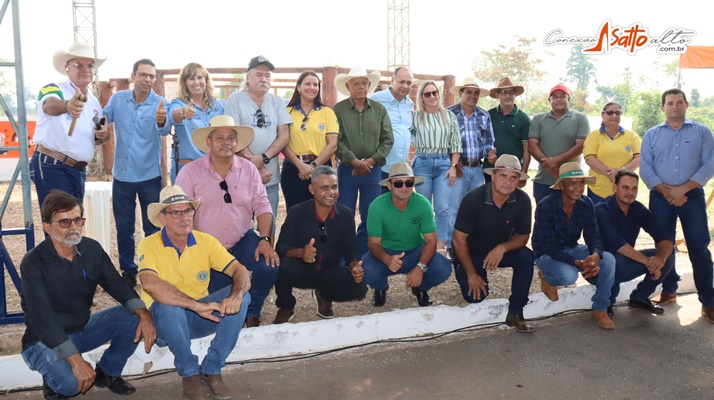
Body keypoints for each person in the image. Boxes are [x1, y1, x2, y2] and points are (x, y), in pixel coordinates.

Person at [21, 190, 155, 399]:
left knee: (132, 317)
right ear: (47, 227)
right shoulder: (33, 263)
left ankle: (107, 373)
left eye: (78, 220)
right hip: (43, 340)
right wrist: (76, 360)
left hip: (81, 330)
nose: (73, 227)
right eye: (64, 222)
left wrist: (144, 314)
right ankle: (53, 383)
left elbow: (117, 284)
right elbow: (42, 320)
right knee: (71, 384)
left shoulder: (91, 249)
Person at [138, 185, 252, 400]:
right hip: (164, 324)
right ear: (162, 218)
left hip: (200, 318)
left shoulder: (205, 241)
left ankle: (212, 368)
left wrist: (234, 297)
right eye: (175, 213)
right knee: (166, 305)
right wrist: (197, 306)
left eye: (188, 211)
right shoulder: (149, 244)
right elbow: (149, 284)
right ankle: (189, 372)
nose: (184, 218)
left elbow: (241, 271)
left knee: (244, 296)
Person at [176, 115, 277, 328]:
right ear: (209, 142)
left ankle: (252, 311)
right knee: (211, 292)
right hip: (205, 248)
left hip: (242, 240)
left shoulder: (249, 169)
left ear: (237, 143)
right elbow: (180, 214)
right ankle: (228, 310)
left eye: (231, 137)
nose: (226, 142)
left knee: (268, 264)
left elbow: (262, 205)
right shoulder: (190, 172)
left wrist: (265, 239)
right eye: (220, 137)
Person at [640, 88, 714, 323]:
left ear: (686, 104)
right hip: (660, 196)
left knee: (699, 247)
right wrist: (668, 191)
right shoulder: (651, 135)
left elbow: (709, 165)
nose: (674, 106)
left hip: (691, 196)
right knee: (664, 245)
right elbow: (646, 169)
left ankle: (709, 301)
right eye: (670, 103)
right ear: (663, 107)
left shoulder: (703, 132)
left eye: (679, 102)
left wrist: (682, 190)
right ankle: (669, 290)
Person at [103, 59, 172, 287]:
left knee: (152, 226)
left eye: (151, 76)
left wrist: (162, 121)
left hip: (149, 177)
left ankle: (151, 267)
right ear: (133, 76)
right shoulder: (118, 99)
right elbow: (103, 118)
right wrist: (98, 126)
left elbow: (164, 129)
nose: (147, 79)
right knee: (124, 227)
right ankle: (128, 269)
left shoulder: (161, 103)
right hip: (122, 176)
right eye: (143, 75)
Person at [273, 166, 368, 323]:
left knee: (359, 288)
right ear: (312, 189)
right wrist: (301, 253)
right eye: (324, 188)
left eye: (334, 187)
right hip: (301, 270)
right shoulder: (297, 212)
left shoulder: (345, 215)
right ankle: (286, 306)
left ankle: (324, 294)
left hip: (328, 270)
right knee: (280, 267)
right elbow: (281, 247)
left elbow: (351, 249)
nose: (330, 192)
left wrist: (354, 266)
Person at [452, 155, 535, 332]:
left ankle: (516, 312)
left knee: (526, 257)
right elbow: (458, 241)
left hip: (498, 252)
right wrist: (472, 275)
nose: (508, 182)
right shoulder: (472, 200)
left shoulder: (522, 200)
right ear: (493, 176)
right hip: (471, 253)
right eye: (503, 176)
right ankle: (470, 273)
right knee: (475, 297)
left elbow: (523, 237)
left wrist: (501, 248)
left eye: (513, 177)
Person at [532, 162, 616, 330]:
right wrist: (576, 262)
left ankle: (600, 308)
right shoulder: (546, 205)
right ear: (562, 185)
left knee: (609, 259)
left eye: (581, 183)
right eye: (572, 183)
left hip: (572, 247)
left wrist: (595, 255)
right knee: (568, 276)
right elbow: (548, 245)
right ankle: (547, 276)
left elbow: (593, 235)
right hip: (546, 253)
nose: (578, 188)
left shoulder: (586, 204)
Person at [361, 162, 451, 307]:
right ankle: (380, 287)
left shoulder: (423, 204)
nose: (404, 188)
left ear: (413, 184)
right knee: (365, 270)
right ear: (389, 185)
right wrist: (387, 259)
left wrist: (420, 267)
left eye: (408, 183)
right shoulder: (376, 206)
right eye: (398, 183)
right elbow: (373, 243)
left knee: (443, 269)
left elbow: (431, 241)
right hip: (386, 251)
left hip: (415, 251)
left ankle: (421, 287)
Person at [31, 42, 109, 209]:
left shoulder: (94, 102)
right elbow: (49, 105)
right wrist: (66, 106)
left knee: (71, 220)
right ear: (67, 68)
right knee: (59, 220)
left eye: (90, 66)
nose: (86, 69)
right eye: (79, 65)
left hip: (78, 169)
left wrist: (102, 136)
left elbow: (94, 138)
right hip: (53, 164)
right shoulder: (54, 89)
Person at [224, 55, 291, 230]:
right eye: (259, 75)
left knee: (269, 222)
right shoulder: (235, 100)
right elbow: (232, 135)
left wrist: (263, 159)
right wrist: (256, 167)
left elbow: (284, 136)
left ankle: (268, 256)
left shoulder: (276, 101)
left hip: (270, 175)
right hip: (241, 176)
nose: (264, 79)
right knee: (241, 224)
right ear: (248, 78)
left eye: (268, 76)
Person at [595, 170, 675, 315]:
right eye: (625, 187)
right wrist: (649, 263)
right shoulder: (602, 210)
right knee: (614, 259)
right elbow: (617, 244)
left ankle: (639, 297)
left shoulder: (638, 209)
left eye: (634, 188)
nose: (630, 192)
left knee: (668, 255)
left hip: (625, 262)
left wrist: (660, 259)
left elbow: (664, 237)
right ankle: (606, 303)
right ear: (615, 187)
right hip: (600, 267)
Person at [333, 66, 394, 255]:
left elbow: (387, 140)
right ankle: (346, 256)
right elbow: (336, 140)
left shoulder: (379, 110)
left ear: (369, 86)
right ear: (348, 86)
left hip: (372, 171)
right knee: (344, 213)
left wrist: (370, 162)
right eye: (356, 83)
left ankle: (365, 255)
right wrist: (354, 161)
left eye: (364, 83)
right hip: (347, 170)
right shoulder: (338, 110)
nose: (361, 87)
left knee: (372, 215)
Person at [446, 77, 496, 258]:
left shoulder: (484, 114)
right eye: (469, 92)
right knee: (455, 207)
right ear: (461, 93)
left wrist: (491, 153)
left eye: (475, 93)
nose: (472, 96)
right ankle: (452, 244)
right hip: (458, 168)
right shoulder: (449, 114)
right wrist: (452, 163)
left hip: (477, 168)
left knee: (476, 207)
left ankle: (471, 242)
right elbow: (443, 142)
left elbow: (489, 140)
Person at [410, 80, 462, 254]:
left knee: (442, 207)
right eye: (427, 94)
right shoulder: (415, 117)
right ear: (421, 97)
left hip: (443, 165)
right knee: (424, 207)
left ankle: (441, 245)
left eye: (435, 93)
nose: (432, 96)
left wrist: (453, 166)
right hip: (422, 164)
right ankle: (425, 244)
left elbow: (456, 144)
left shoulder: (449, 116)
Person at [281, 71, 338, 210]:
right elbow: (282, 142)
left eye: (315, 84)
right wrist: (300, 165)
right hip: (293, 169)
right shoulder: (286, 111)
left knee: (322, 212)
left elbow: (333, 145)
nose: (312, 87)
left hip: (321, 168)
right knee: (295, 214)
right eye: (307, 84)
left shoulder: (327, 112)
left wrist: (312, 165)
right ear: (299, 87)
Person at [528, 83, 590, 205]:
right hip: (543, 181)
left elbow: (580, 146)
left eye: (563, 96)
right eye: (555, 97)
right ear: (549, 100)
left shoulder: (580, 118)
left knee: (571, 219)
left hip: (571, 181)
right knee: (543, 220)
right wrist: (549, 166)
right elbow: (532, 144)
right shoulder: (538, 119)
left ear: (569, 98)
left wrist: (556, 160)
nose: (559, 99)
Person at [167, 62, 224, 182]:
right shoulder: (178, 103)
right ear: (185, 83)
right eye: (191, 78)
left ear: (206, 80)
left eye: (199, 77)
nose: (196, 82)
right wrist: (183, 112)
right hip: (185, 170)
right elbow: (173, 115)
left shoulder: (218, 107)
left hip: (213, 170)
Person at [583, 101, 641, 204]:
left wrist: (621, 171)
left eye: (617, 113)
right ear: (603, 115)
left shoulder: (632, 136)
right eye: (610, 112)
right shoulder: (594, 136)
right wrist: (613, 173)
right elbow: (590, 160)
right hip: (598, 192)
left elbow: (639, 159)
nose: (614, 115)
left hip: (625, 192)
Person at [371, 67, 415, 193]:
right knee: (381, 205)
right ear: (392, 80)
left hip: (402, 169)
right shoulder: (376, 100)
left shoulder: (410, 104)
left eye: (409, 83)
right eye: (401, 81)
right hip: (381, 167)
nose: (405, 86)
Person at [487, 77, 531, 187]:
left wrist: (524, 172)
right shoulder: (488, 115)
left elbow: (527, 148)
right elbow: (482, 141)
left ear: (515, 94)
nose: (507, 96)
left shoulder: (523, 118)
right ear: (497, 95)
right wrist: (488, 154)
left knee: (513, 202)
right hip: (491, 169)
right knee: (489, 201)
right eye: (503, 92)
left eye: (510, 92)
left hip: (514, 171)